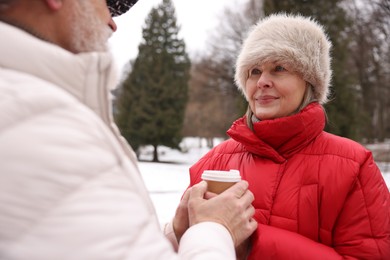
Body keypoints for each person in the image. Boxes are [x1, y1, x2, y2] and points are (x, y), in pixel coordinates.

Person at [0, 0, 257, 259]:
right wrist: (214, 228)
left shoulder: (35, 113)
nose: (112, 23)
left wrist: (174, 236)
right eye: (103, 3)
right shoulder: (44, 127)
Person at [186, 13, 390, 259]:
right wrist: (177, 234)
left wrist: (253, 243)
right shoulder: (212, 162)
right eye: (254, 71)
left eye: (279, 68)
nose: (262, 81)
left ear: (310, 82)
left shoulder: (353, 165)